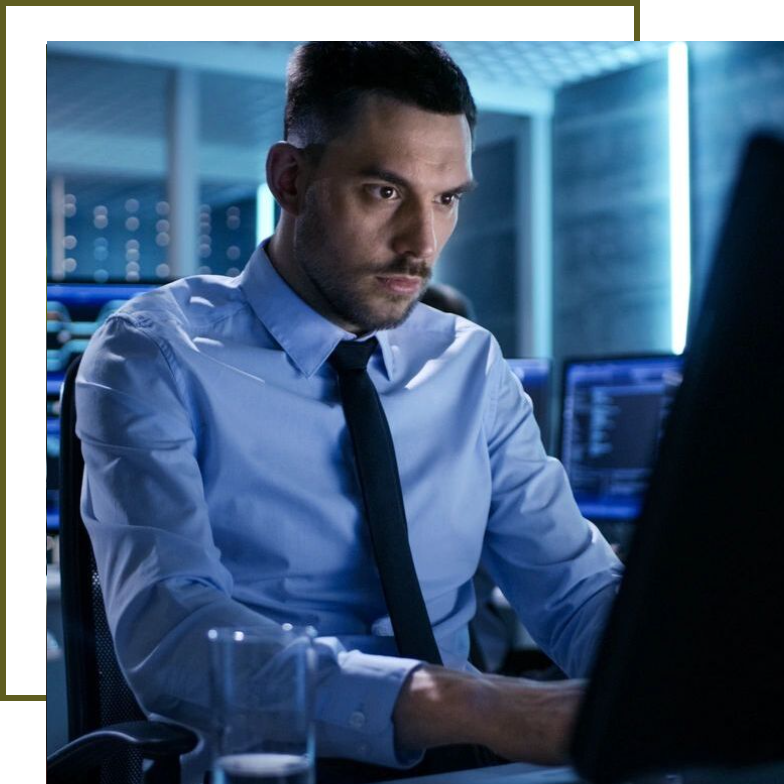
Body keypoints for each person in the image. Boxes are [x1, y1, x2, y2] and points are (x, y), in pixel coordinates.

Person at [76, 42, 623, 784]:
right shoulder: (153, 354)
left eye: (447, 198)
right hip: (273, 768)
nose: (422, 245)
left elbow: (574, 587)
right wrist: (467, 703)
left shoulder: (469, 362)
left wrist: (668, 675)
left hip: (470, 768)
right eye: (384, 192)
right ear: (291, 179)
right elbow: (175, 636)